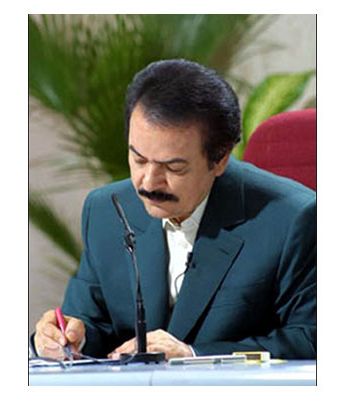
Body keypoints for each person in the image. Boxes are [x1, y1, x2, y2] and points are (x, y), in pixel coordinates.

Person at [31, 59, 316, 361]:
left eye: (173, 167)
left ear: (220, 159)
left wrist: (194, 355)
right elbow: (92, 322)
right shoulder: (107, 210)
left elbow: (310, 338)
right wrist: (67, 338)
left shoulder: (293, 218)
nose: (148, 182)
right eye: (138, 159)